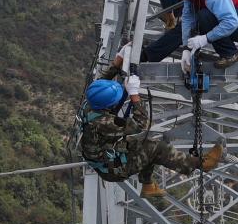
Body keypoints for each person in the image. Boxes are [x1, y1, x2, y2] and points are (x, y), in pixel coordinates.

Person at [78, 73, 224, 197]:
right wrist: (134, 95)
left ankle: (147, 186)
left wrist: (119, 61)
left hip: (107, 154)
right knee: (157, 148)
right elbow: (141, 124)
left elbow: (101, 85)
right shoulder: (104, 123)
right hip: (113, 169)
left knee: (146, 146)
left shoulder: (90, 104)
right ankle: (201, 164)